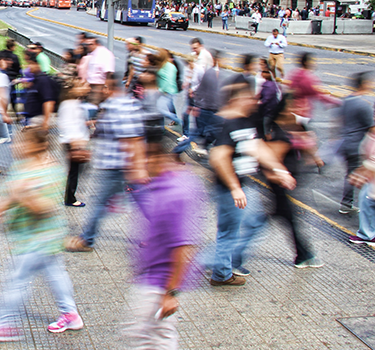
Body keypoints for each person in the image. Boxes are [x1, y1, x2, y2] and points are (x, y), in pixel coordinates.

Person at [0, 125, 83, 343]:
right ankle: (71, 314)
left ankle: (3, 324)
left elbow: (46, 207)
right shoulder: (21, 166)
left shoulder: (51, 171)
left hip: (40, 237)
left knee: (17, 279)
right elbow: (11, 197)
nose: (16, 146)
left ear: (38, 146)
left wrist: (24, 194)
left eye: (23, 143)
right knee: (55, 273)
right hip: (31, 235)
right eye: (17, 142)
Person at [208, 83, 296, 286]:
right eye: (249, 98)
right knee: (229, 232)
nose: (254, 102)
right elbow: (219, 157)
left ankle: (225, 265)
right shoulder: (227, 123)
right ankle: (218, 271)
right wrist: (234, 187)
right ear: (237, 100)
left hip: (243, 184)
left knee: (254, 223)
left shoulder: (245, 122)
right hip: (231, 187)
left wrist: (280, 170)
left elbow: (258, 148)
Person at [124, 127, 200, 349]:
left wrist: (170, 293)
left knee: (146, 339)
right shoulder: (163, 184)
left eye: (142, 158)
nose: (140, 164)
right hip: (152, 279)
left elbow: (184, 247)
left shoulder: (175, 193)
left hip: (159, 284)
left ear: (156, 157)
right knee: (155, 339)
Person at [237, 93, 324, 271]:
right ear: (285, 107)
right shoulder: (276, 130)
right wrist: (280, 177)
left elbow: (307, 144)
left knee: (278, 217)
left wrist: (314, 157)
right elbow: (270, 162)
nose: (299, 108)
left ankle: (303, 254)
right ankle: (303, 255)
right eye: (295, 105)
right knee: (280, 218)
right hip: (280, 184)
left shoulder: (296, 124)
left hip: (288, 182)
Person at [65, 73, 146, 252]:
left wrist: (137, 167)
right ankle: (160, 234)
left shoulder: (119, 106)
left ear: (109, 88)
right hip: (114, 165)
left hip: (117, 166)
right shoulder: (115, 105)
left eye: (103, 87)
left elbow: (132, 138)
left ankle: (87, 240)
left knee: (101, 202)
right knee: (139, 200)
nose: (100, 90)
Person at [339, 72, 374, 215]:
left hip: (346, 141)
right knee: (358, 175)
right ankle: (348, 204)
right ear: (364, 85)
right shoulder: (363, 105)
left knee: (352, 174)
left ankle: (347, 203)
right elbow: (372, 128)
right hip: (357, 145)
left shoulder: (347, 100)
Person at [58, 81, 91, 208]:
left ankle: (70, 196)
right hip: (73, 143)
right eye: (81, 86)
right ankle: (70, 198)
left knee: (76, 171)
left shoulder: (75, 103)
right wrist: (75, 143)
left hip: (76, 142)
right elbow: (67, 124)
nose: (86, 88)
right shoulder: (69, 104)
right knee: (74, 171)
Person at [289, 53, 340, 120]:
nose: (315, 63)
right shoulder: (308, 77)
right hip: (302, 111)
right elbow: (318, 93)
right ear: (306, 62)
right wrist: (337, 102)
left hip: (292, 109)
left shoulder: (295, 73)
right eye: (313, 61)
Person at [22, 50, 57, 129]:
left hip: (40, 119)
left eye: (31, 64)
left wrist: (45, 122)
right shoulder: (36, 80)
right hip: (35, 119)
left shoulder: (43, 81)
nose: (28, 67)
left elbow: (49, 101)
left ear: (37, 64)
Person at [78, 37, 115, 105]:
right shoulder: (91, 53)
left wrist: (106, 86)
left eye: (90, 44)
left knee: (95, 104)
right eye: (86, 44)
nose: (88, 46)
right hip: (90, 84)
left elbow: (109, 72)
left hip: (99, 85)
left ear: (97, 44)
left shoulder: (104, 54)